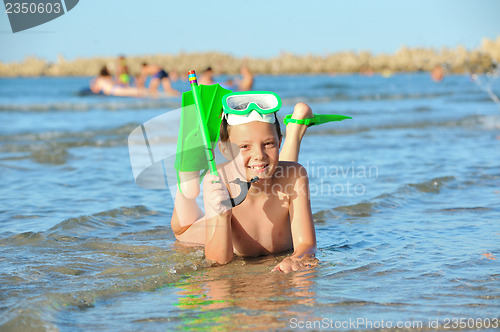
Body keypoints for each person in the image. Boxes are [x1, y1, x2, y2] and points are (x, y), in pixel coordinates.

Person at [171, 92, 319, 273]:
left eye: (269, 143)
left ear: (280, 141)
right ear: (225, 149)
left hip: (277, 172)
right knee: (183, 225)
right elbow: (218, 261)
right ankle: (188, 174)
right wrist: (222, 215)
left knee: (274, 167)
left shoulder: (296, 174)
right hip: (194, 228)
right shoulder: (219, 180)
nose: (259, 153)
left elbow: (307, 246)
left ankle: (295, 129)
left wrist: (297, 259)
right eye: (244, 146)